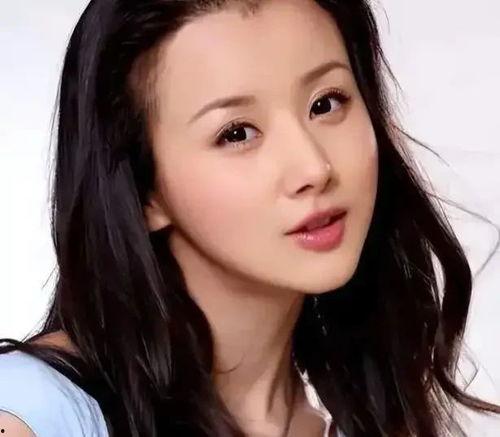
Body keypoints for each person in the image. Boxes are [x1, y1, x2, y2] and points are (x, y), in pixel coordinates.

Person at [0, 0, 499, 436]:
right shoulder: (31, 414)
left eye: (326, 103)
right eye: (237, 133)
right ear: (143, 191)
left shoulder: (372, 420)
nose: (314, 168)